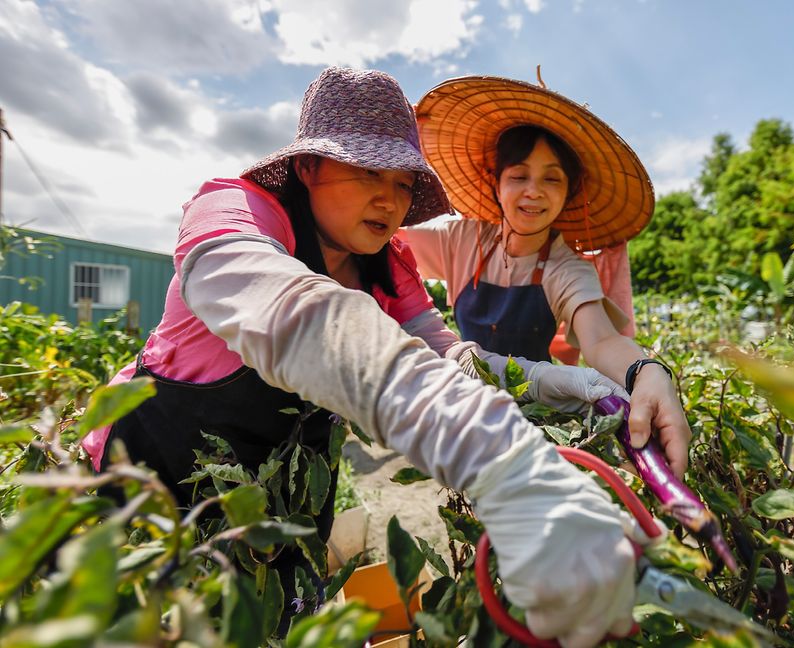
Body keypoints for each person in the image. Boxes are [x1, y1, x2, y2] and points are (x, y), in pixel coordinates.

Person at [81, 67, 648, 647]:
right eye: (369, 171)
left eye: (404, 183)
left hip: (280, 499)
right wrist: (499, 456)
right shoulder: (236, 214)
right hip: (152, 489)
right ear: (308, 167)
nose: (390, 198)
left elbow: (453, 358)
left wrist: (564, 381)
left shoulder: (386, 265)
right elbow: (294, 314)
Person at [402, 74, 691, 476]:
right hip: (465, 403)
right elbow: (389, 243)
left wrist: (650, 371)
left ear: (569, 192)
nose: (533, 191)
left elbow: (602, 339)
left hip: (535, 412)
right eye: (519, 176)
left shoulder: (566, 267)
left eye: (551, 179)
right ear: (496, 182)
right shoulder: (461, 240)